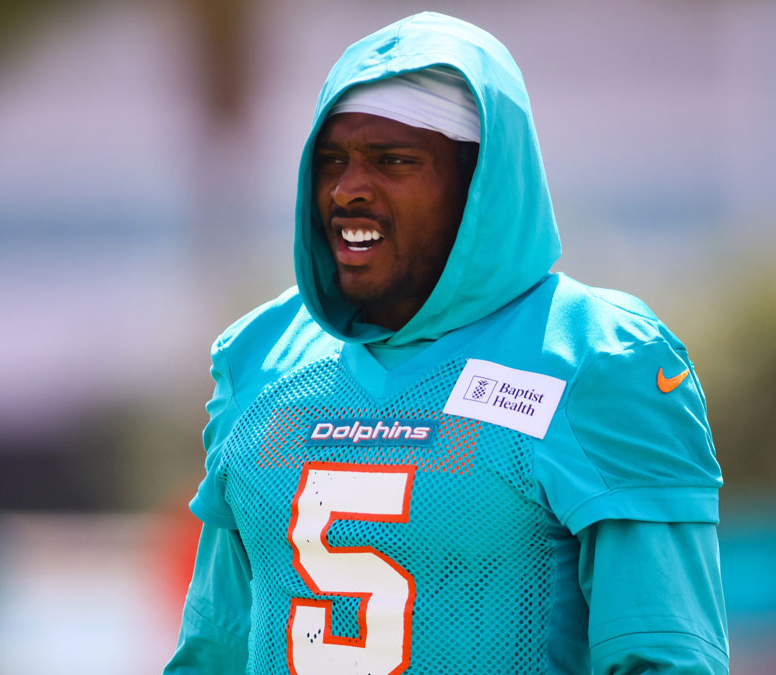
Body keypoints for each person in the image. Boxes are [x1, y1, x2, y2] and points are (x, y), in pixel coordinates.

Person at [164, 11, 727, 674]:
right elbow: (215, 651)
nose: (348, 189)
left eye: (394, 160)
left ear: (479, 185)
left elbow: (664, 658)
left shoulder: (600, 359)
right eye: (332, 160)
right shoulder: (261, 358)